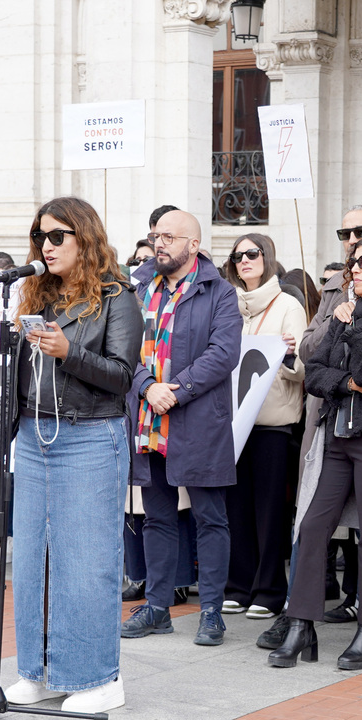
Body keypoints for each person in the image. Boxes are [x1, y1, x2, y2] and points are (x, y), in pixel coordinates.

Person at [0, 196, 143, 713]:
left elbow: (122, 376)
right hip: (33, 436)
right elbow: (11, 380)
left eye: (57, 237)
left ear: (84, 238)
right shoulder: (34, 294)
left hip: (90, 436)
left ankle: (99, 679)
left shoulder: (118, 296)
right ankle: (38, 670)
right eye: (40, 236)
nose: (45, 246)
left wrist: (69, 353)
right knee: (30, 560)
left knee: (86, 561)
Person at [271, 235, 362, 669]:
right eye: (351, 262)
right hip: (336, 434)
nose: (352, 269)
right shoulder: (342, 313)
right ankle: (300, 626)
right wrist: (351, 385)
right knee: (312, 528)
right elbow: (316, 373)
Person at [123, 209, 242, 647]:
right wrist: (147, 387)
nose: (160, 244)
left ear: (194, 245)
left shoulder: (220, 292)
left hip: (197, 422)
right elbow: (121, 349)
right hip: (147, 418)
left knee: (211, 518)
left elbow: (224, 352)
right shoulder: (136, 288)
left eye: (170, 237)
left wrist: (177, 390)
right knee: (156, 518)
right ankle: (157, 608)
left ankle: (211, 612)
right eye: (156, 236)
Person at [222, 233, 305, 620]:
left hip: (272, 423)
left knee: (270, 511)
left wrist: (288, 354)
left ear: (267, 257)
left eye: (252, 253)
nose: (244, 260)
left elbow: (303, 367)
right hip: (232, 423)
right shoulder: (226, 304)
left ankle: (269, 590)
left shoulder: (288, 304)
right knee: (234, 508)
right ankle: (238, 586)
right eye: (237, 256)